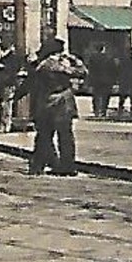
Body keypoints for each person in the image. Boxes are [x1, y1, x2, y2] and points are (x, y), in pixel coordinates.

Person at [29, 37, 87, 176]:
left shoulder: (45, 64)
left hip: (49, 103)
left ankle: (42, 165)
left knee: (45, 136)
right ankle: (63, 165)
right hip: (62, 103)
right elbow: (82, 72)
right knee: (63, 136)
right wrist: (75, 61)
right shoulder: (54, 64)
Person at [0, 46, 25, 132]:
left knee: (5, 104)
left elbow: (12, 70)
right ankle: (3, 124)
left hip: (8, 83)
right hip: (4, 83)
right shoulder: (9, 56)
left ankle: (5, 125)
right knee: (3, 104)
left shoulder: (11, 56)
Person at [85, 44, 116, 118]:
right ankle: (103, 111)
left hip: (96, 80)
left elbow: (91, 70)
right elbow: (113, 70)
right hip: (107, 80)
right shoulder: (109, 58)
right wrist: (114, 80)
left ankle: (96, 111)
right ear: (103, 49)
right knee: (105, 96)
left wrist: (89, 81)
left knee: (96, 95)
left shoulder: (92, 58)